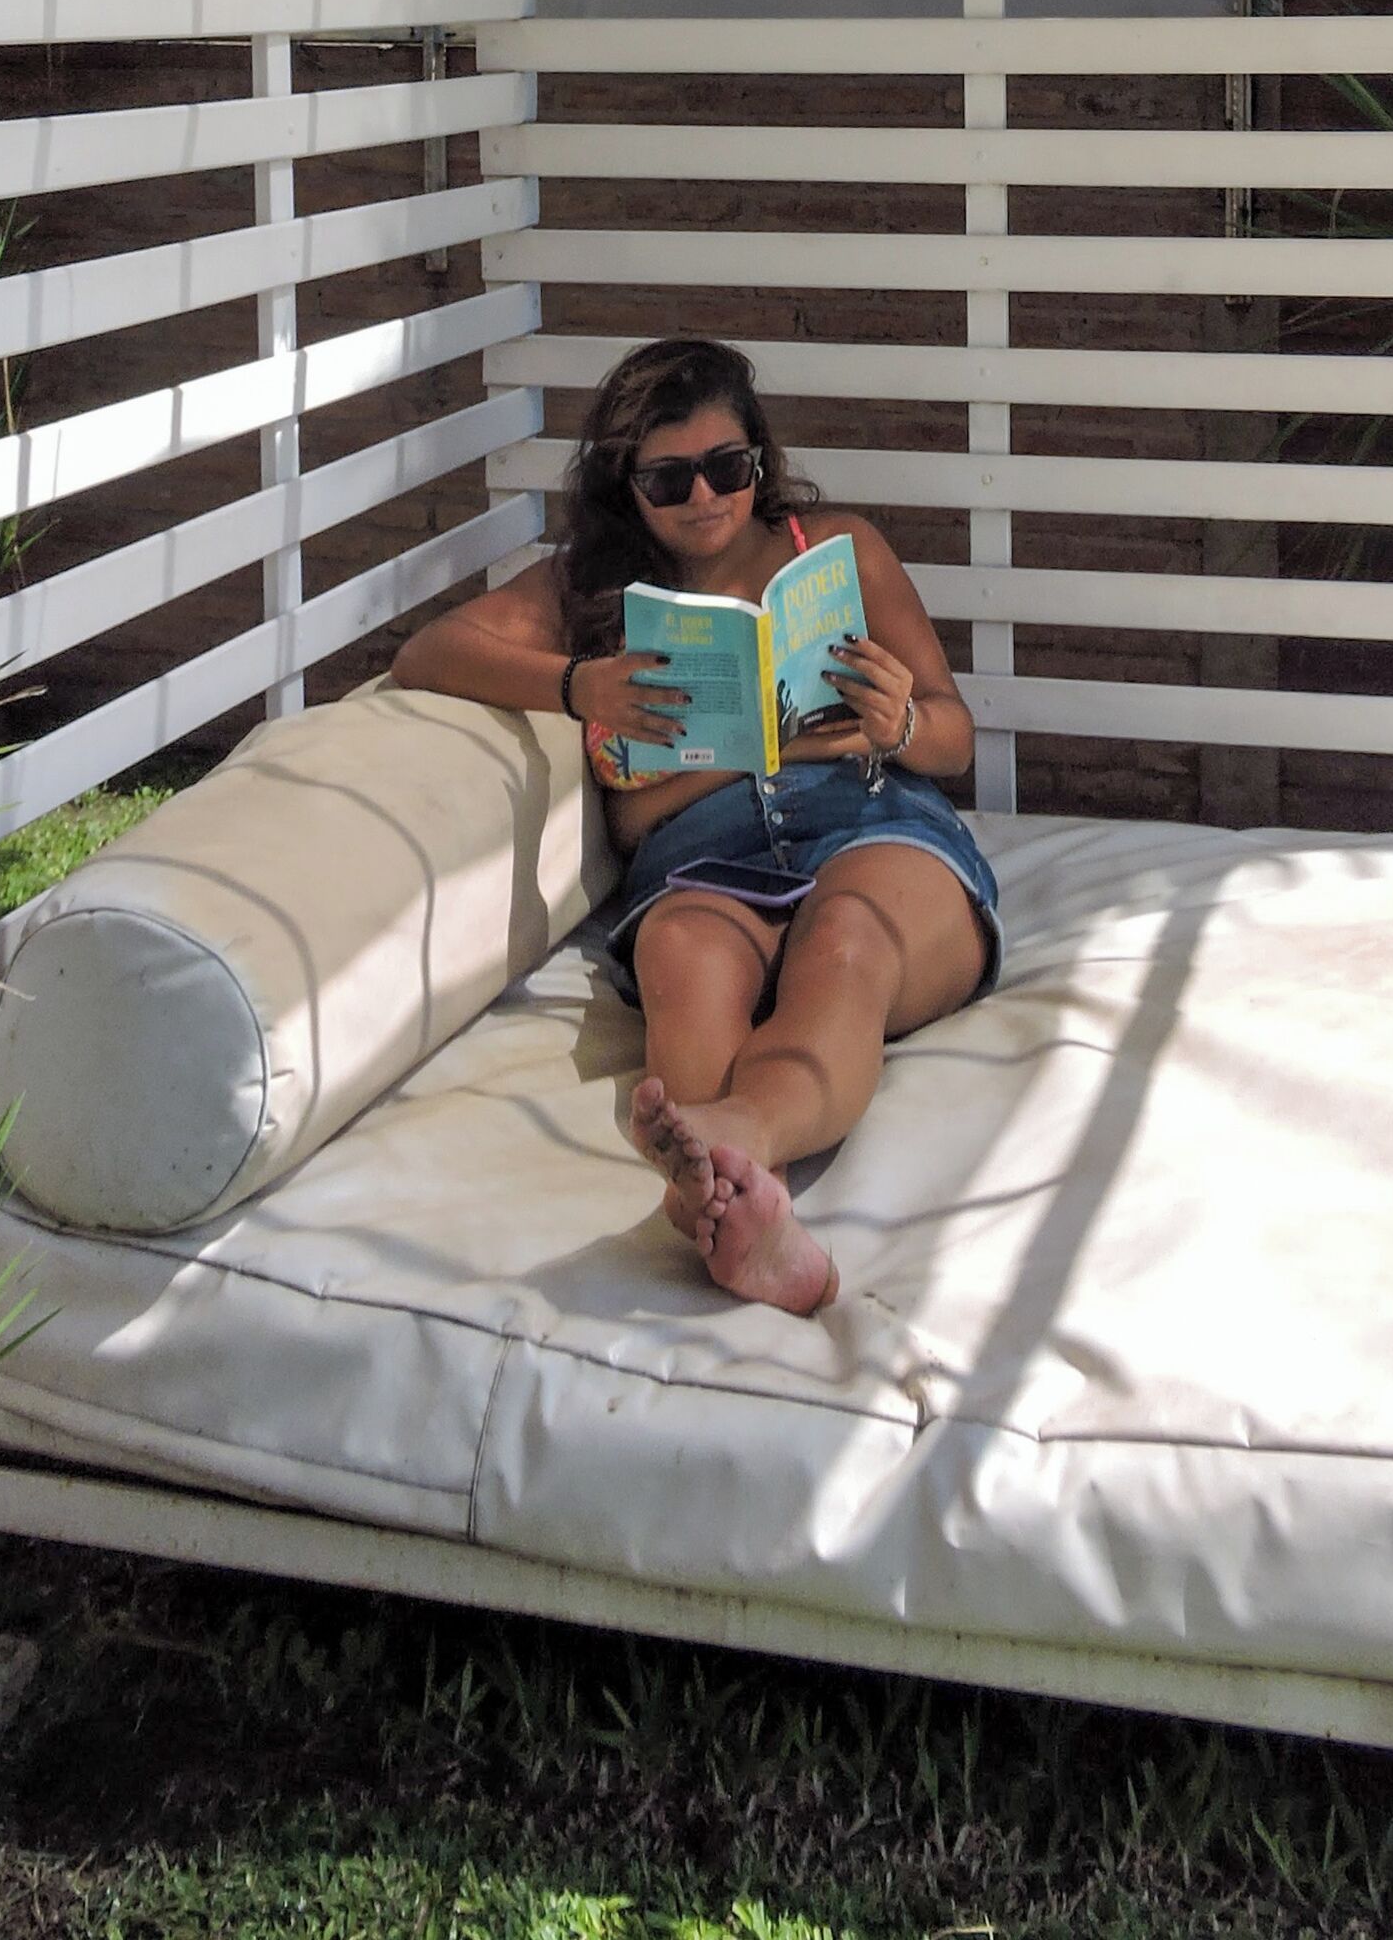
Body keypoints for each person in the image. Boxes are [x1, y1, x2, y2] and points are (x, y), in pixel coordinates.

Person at [394, 335, 997, 1313]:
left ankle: (732, 1141)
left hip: (872, 828)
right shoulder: (592, 594)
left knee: (846, 941)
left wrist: (902, 722)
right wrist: (576, 682)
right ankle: (748, 1218)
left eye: (728, 468)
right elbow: (430, 652)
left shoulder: (838, 551)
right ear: (623, 485)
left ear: (759, 460)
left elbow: (954, 740)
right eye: (669, 480)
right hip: (703, 858)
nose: (706, 499)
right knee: (682, 953)